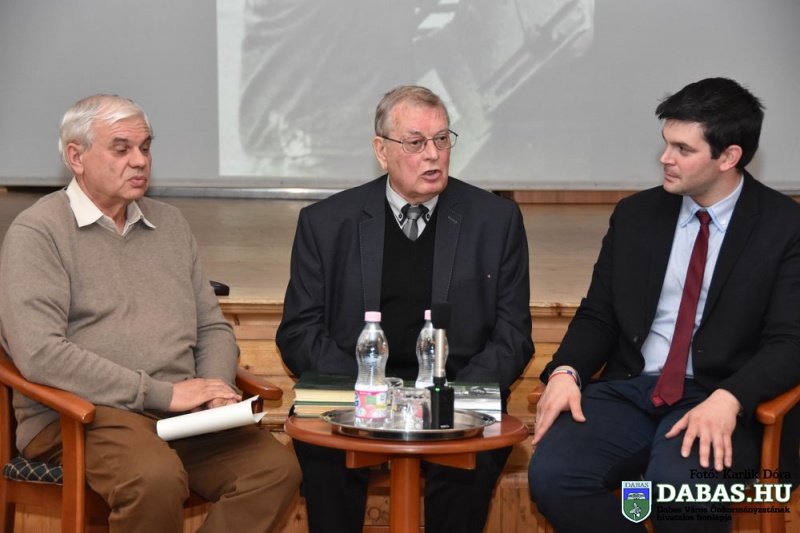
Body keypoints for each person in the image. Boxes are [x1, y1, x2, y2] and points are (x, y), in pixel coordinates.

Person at [0, 94, 302, 532]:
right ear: (76, 157)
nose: (140, 160)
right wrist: (161, 394)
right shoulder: (38, 232)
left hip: (181, 416)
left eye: (145, 147)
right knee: (154, 478)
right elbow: (40, 353)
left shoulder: (170, 224)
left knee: (274, 471)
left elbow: (211, 326)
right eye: (121, 149)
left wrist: (214, 388)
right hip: (82, 415)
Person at [528, 77, 800, 532]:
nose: (664, 158)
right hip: (631, 387)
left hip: (723, 397)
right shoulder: (635, 215)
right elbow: (599, 314)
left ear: (728, 157)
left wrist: (730, 398)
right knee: (555, 477)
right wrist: (565, 371)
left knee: (679, 489)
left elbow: (791, 341)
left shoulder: (785, 226)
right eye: (666, 142)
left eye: (682, 149)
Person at [277, 85, 533, 532]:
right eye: (415, 142)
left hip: (454, 395)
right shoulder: (326, 222)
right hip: (356, 392)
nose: (433, 154)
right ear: (382, 151)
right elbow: (299, 332)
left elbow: (513, 335)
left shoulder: (496, 220)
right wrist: (370, 393)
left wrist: (448, 400)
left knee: (465, 471)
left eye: (442, 139)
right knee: (326, 460)